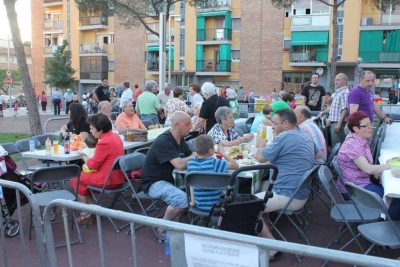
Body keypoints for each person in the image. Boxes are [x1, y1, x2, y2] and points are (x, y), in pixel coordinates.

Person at [254, 109, 315, 262]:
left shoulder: (285, 136)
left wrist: (260, 144)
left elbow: (261, 158)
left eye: (275, 123)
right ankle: (262, 226)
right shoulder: (304, 135)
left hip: (289, 194)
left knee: (248, 206)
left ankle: (272, 247)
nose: (273, 126)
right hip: (300, 191)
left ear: (286, 124)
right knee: (261, 186)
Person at [140, 111, 195, 238]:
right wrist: (195, 156)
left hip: (172, 179)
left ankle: (177, 223)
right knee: (183, 200)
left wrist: (193, 156)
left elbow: (188, 156)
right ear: (177, 125)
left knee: (196, 193)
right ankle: (162, 227)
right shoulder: (164, 141)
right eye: (188, 124)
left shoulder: (179, 139)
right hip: (154, 182)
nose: (191, 127)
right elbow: (180, 164)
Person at [337, 111, 400, 220]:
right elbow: (368, 169)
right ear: (356, 128)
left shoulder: (359, 140)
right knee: (395, 200)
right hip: (355, 190)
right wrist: (388, 165)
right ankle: (389, 229)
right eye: (366, 125)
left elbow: (366, 167)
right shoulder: (352, 144)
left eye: (370, 124)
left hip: (359, 184)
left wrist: (376, 172)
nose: (371, 127)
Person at [70, 113, 125, 223]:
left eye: (92, 128)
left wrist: (83, 155)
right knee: (83, 180)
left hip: (108, 179)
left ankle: (86, 213)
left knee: (76, 179)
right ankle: (92, 211)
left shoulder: (103, 142)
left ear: (100, 130)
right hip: (118, 176)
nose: (90, 131)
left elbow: (92, 165)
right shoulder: (115, 137)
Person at [187, 135, 238, 210]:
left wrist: (193, 201)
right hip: (217, 205)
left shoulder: (191, 162)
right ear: (210, 151)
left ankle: (202, 218)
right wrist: (222, 153)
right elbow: (236, 165)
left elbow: (191, 184)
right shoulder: (214, 163)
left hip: (199, 204)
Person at [324, 73, 350, 148]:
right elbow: (334, 109)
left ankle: (338, 160)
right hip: (334, 123)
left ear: (345, 81)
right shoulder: (338, 93)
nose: (336, 82)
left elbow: (345, 109)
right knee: (334, 146)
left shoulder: (344, 93)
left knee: (338, 147)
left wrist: (338, 124)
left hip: (339, 124)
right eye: (335, 80)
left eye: (338, 80)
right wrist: (330, 119)